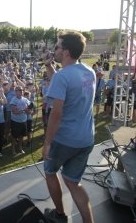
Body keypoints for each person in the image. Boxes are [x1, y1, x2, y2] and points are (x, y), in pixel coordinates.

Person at [42, 31, 95, 223]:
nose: (54, 49)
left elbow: (56, 113)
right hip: (86, 138)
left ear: (65, 52)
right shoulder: (88, 72)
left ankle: (59, 215)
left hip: (64, 139)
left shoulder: (63, 76)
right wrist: (49, 65)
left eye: (57, 47)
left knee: (49, 172)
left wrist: (47, 143)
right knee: (73, 182)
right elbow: (67, 83)